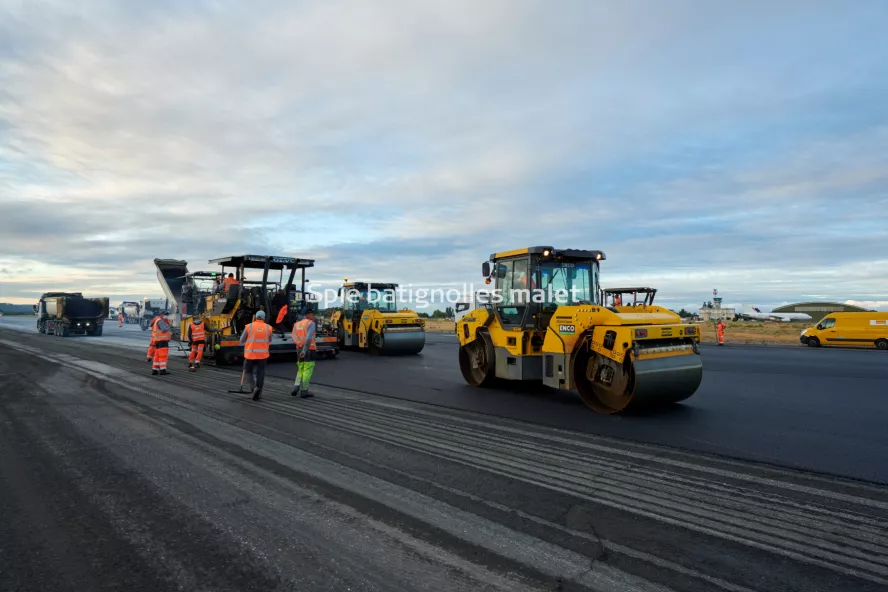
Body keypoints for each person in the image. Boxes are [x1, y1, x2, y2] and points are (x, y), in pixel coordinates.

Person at [239, 310, 271, 400]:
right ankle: (259, 390)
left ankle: (253, 388)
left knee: (247, 371)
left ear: (256, 317)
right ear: (264, 318)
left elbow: (241, 340)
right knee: (261, 373)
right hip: (263, 355)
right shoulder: (269, 328)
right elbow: (270, 340)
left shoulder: (249, 327)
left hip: (250, 354)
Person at [290, 309, 317, 398]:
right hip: (309, 349)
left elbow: (293, 337)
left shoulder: (296, 324)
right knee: (307, 370)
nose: (314, 317)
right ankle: (304, 391)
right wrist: (304, 350)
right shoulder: (311, 323)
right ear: (308, 315)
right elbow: (309, 338)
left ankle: (296, 387)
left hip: (299, 349)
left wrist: (300, 345)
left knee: (300, 368)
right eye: (313, 315)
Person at [152, 311, 173, 375]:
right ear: (161, 315)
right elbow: (164, 330)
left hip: (158, 341)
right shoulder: (161, 321)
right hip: (162, 341)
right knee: (163, 356)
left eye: (167, 315)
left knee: (157, 356)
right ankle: (162, 370)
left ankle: (155, 370)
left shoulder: (159, 320)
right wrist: (170, 327)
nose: (166, 316)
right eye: (165, 314)